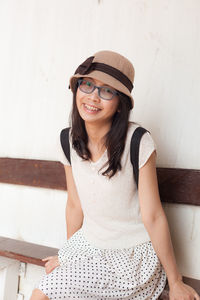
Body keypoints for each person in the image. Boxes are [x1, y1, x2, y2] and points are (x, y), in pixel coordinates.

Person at [30, 50, 199, 300]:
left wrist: (176, 282)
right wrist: (70, 258)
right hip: (90, 245)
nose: (93, 97)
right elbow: (75, 205)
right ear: (76, 89)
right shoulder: (67, 140)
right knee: (54, 283)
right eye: (87, 85)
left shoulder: (138, 141)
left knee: (42, 292)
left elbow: (153, 215)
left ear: (120, 103)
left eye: (106, 90)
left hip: (131, 256)